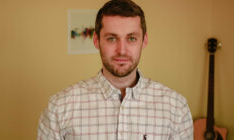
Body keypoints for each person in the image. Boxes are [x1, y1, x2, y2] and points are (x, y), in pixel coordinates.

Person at [37, 0, 193, 139]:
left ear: (144, 41)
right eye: (112, 38)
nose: (122, 50)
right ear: (97, 41)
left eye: (131, 38)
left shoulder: (176, 108)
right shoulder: (59, 108)